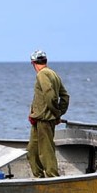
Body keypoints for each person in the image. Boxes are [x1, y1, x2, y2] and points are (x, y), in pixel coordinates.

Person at [27, 50, 70, 178]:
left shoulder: (42, 74)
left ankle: (52, 178)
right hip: (38, 119)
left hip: (44, 120)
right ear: (45, 61)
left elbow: (49, 95)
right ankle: (38, 177)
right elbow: (65, 96)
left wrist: (56, 114)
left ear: (33, 63)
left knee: (46, 151)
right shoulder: (53, 74)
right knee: (32, 151)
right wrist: (59, 112)